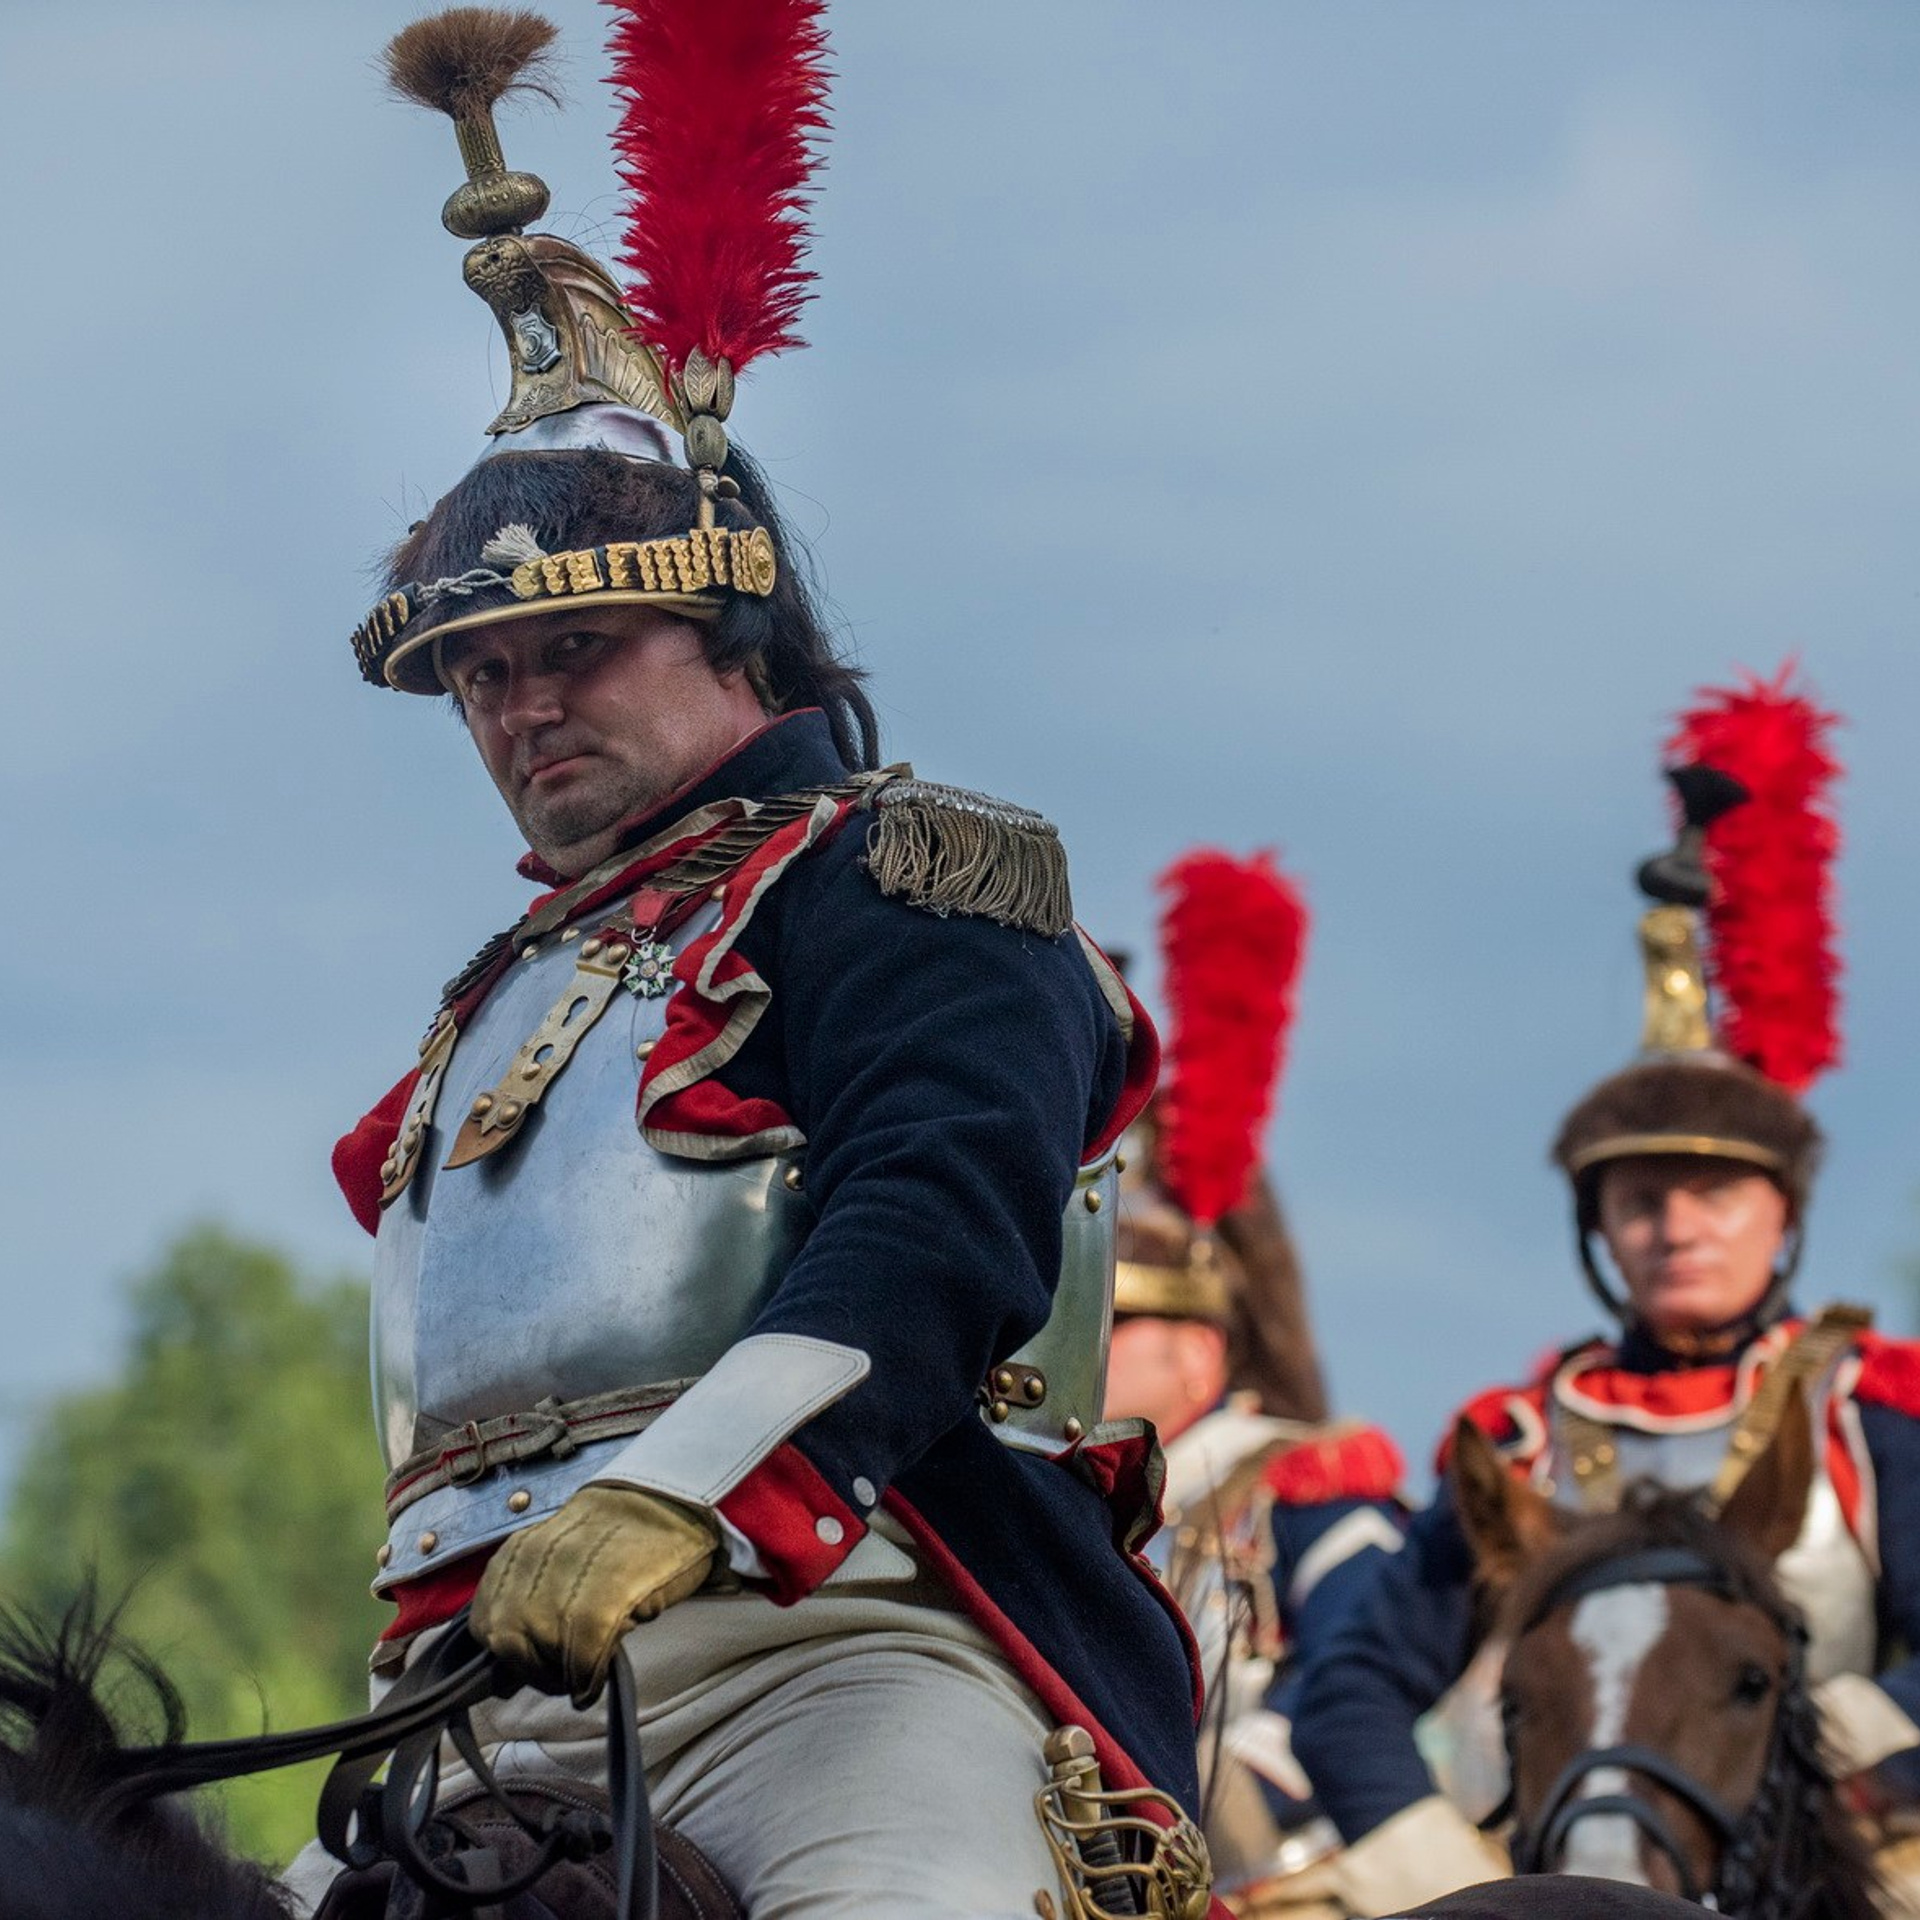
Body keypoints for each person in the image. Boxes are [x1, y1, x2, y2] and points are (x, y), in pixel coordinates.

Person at [282, 9, 1217, 1917]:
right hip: (474, 1699)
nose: (521, 709)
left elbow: (941, 1215)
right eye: (480, 675)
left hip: (837, 1655)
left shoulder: (904, 874)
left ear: (736, 635)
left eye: (575, 650)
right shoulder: (507, 984)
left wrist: (680, 1489)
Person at [1290, 672, 1920, 1916]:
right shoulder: (1523, 1441)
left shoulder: (1865, 1410)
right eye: (1640, 1201)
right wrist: (1454, 1884)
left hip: (1860, 1852)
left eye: (1713, 1194)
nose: (1675, 1227)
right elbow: (1354, 1691)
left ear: (1783, 1218)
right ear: (1600, 1231)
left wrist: (1814, 1756)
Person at [1101, 852, 1407, 1911]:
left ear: (1200, 1352)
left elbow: (1368, 1674)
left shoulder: (1302, 1485)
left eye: (1117, 1323)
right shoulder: (1068, 1497)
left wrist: (1231, 1784)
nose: (1081, 1348)